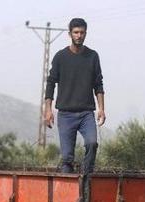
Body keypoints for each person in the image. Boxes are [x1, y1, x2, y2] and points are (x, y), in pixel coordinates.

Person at [44, 17, 105, 174]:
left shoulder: (93, 56)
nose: (79, 35)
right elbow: (51, 83)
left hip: (86, 114)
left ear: (86, 34)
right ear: (70, 34)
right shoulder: (60, 57)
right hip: (65, 114)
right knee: (66, 159)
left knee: (92, 143)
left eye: (82, 32)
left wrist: (101, 109)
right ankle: (67, 194)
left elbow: (98, 84)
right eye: (76, 32)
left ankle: (86, 177)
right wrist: (48, 109)